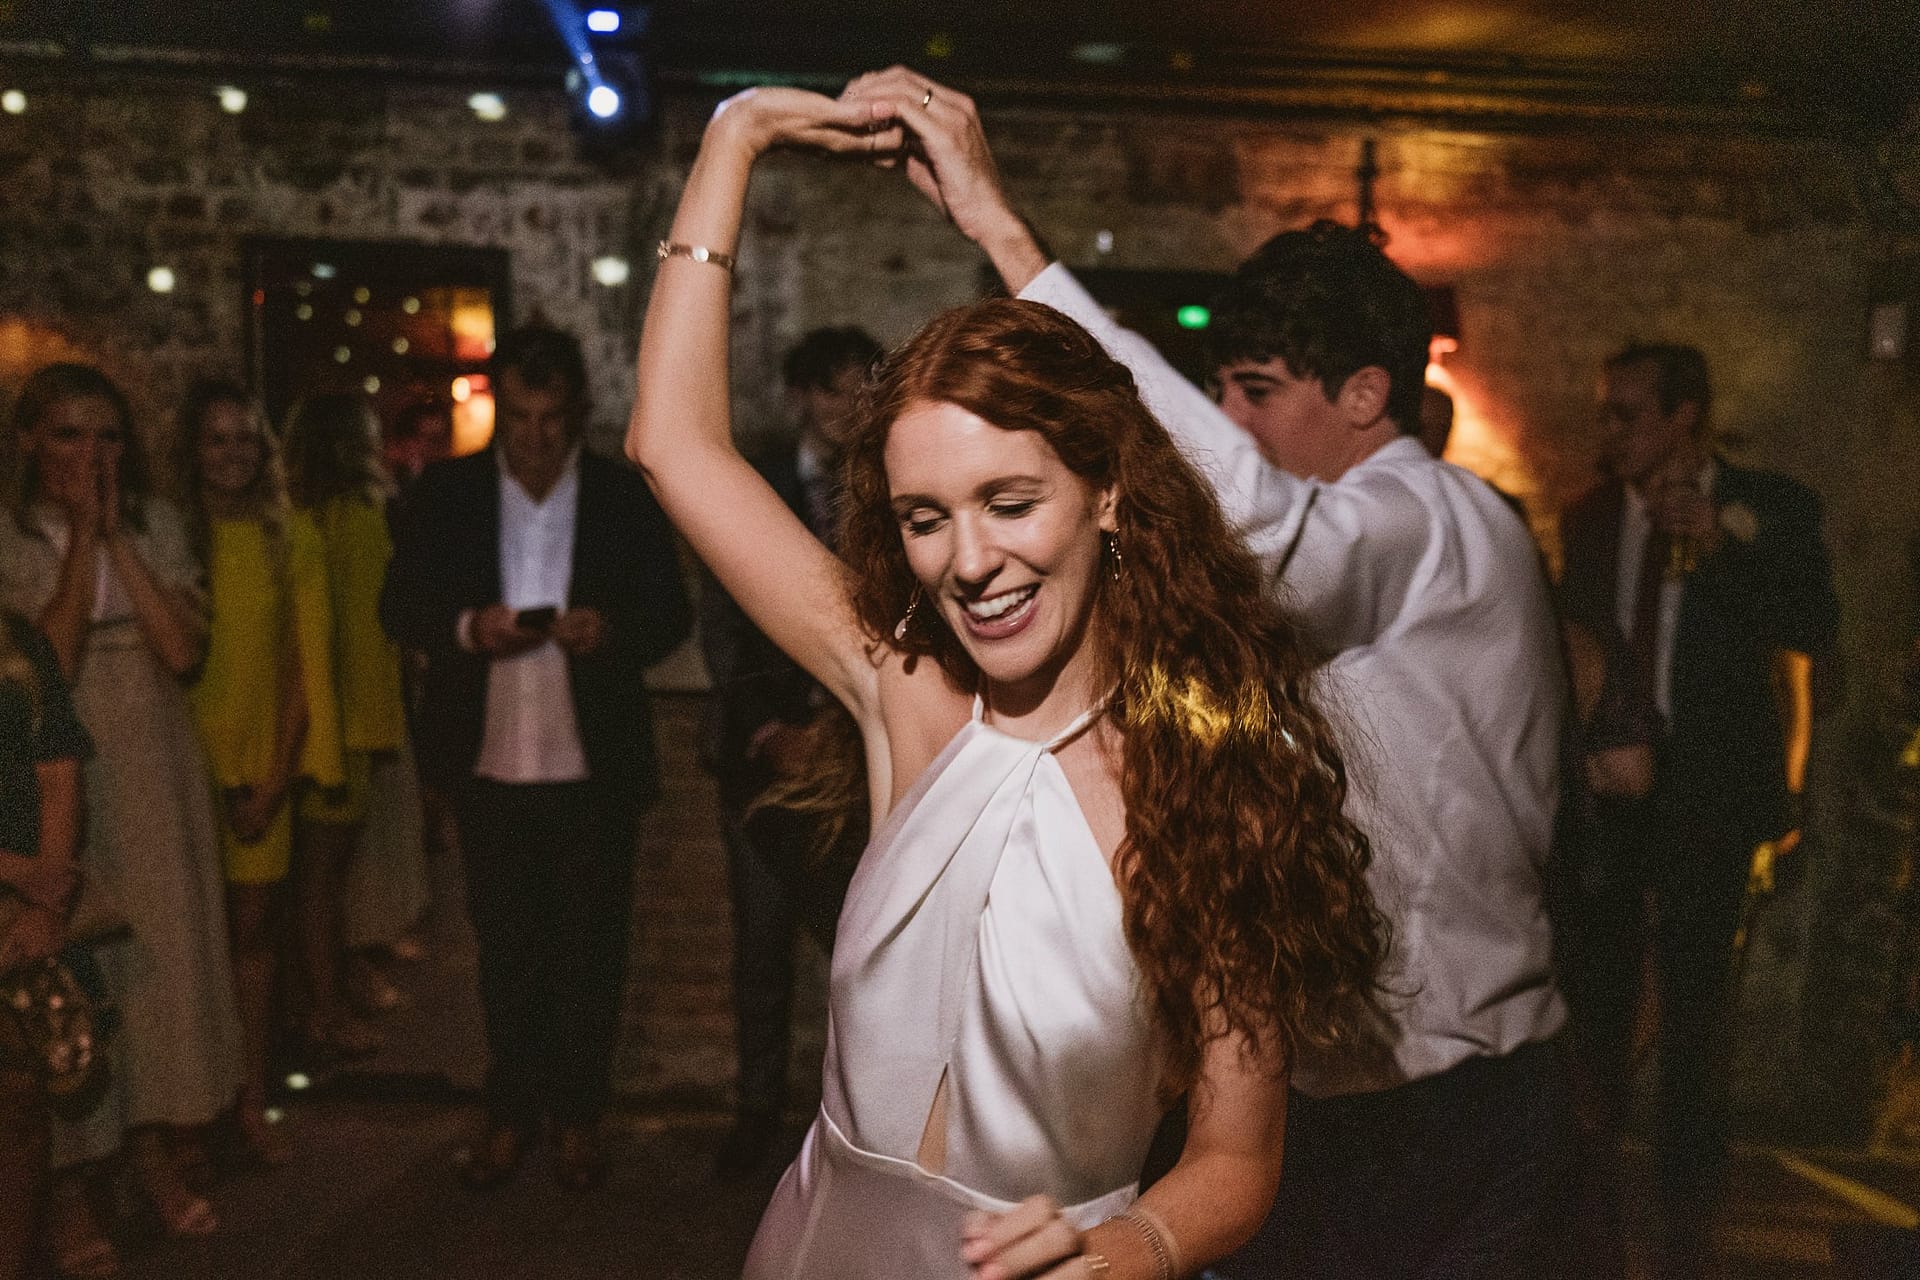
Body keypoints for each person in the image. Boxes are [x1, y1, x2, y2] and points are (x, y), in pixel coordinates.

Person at [627, 86, 1387, 1280]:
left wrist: (1126, 1244)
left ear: (1109, 493)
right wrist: (733, 135)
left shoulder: (1210, 784)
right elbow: (673, 444)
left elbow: (1238, 1156)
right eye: (925, 518)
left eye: (1010, 502)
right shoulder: (911, 698)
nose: (969, 561)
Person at [844, 68, 1575, 1276]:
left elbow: (1265, 540)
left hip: (1453, 1094)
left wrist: (1005, 235)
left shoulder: (1435, 511)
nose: (1226, 425)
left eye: (1255, 393)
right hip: (1372, 1093)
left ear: (1365, 394)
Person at [381, 324, 691, 1191]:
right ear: (496, 410)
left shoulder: (623, 497)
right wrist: (465, 628)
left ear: (580, 413)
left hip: (593, 768)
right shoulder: (449, 494)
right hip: (488, 764)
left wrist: (613, 631)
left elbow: (671, 613)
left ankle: (580, 1116)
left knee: (591, 952)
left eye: (554, 420)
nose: (536, 439)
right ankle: (512, 1109)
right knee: (505, 951)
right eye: (519, 419)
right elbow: (399, 604)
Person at [1557, 342, 1838, 1276]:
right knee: (1592, 977)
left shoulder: (1774, 508)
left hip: (1710, 792)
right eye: (1607, 413)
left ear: (1685, 416)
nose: (1611, 433)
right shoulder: (1593, 517)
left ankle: (1688, 1196)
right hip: (1609, 789)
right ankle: (1582, 1170)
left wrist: (1723, 545)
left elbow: (1814, 627)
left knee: (1691, 991)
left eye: (1628, 413)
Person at [1, 363, 244, 1272]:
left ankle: (147, 1156)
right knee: (73, 972)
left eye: (107, 436)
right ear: (30, 442)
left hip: (153, 750)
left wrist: (116, 542)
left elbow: (182, 649)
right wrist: (76, 550)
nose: (91, 455)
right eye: (69, 434)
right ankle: (67, 1192)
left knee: (159, 969)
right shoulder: (12, 540)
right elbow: (44, 672)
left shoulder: (159, 523)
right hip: (57, 762)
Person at [703, 324, 881, 1181]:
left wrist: (846, 734)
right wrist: (772, 731)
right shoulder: (759, 488)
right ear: (803, 396)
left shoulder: (891, 492)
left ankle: (863, 1130)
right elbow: (726, 623)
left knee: (866, 957)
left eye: (864, 391)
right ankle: (753, 1116)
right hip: (763, 761)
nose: (852, 409)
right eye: (837, 391)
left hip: (864, 765)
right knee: (760, 951)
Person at [178, 381, 336, 1167]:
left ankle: (247, 1099)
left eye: (246, 439)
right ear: (190, 450)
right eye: (216, 440)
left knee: (251, 943)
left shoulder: (290, 535)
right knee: (183, 944)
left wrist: (277, 777)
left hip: (256, 767)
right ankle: (185, 1115)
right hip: (181, 770)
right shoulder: (171, 536)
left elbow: (304, 668)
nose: (233, 454)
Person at [283, 393, 407, 1063]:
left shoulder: (324, 511)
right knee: (321, 880)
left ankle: (327, 994)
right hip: (344, 720)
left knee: (326, 876)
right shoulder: (346, 515)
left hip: (351, 716)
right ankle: (323, 1010)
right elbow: (350, 630)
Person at [0, 611, 89, 1280]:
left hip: (25, 900)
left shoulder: (19, 640)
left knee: (21, 1092)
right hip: (13, 879)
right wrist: (18, 874)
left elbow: (58, 768)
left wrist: (45, 893)